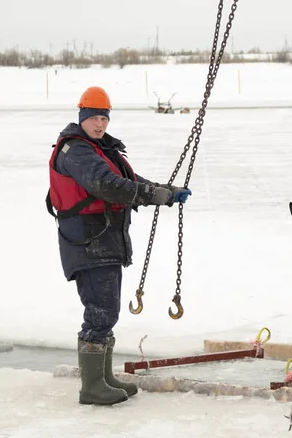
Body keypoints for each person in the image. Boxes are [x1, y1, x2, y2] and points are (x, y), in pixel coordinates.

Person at [47, 86, 192, 406]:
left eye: (104, 118)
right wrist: (153, 196)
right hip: (87, 241)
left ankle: (103, 377)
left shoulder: (101, 149)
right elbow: (107, 185)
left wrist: (164, 191)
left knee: (106, 311)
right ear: (81, 117)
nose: (100, 124)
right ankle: (92, 387)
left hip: (104, 240)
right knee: (99, 312)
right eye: (94, 118)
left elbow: (128, 178)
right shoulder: (76, 151)